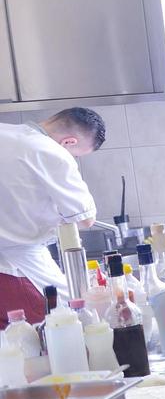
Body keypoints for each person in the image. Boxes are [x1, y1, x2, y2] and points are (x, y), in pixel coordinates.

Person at [0, 108, 105, 328]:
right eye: (77, 154)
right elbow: (86, 219)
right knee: (68, 328)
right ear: (68, 142)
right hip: (18, 270)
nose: (73, 158)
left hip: (12, 266)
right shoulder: (50, 152)